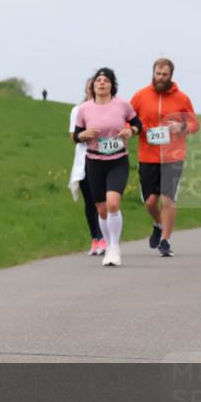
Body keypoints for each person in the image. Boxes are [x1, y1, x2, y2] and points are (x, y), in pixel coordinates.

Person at [72, 68, 142, 267]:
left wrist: (131, 131)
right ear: (93, 86)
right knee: (102, 210)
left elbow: (138, 124)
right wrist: (83, 135)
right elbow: (76, 136)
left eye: (106, 80)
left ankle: (115, 247)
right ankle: (109, 245)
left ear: (112, 85)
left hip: (117, 161)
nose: (102, 83)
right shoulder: (84, 109)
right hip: (94, 162)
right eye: (98, 80)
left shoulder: (122, 105)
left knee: (113, 204)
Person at [130, 58, 198, 257]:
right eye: (158, 74)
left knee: (168, 199)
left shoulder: (182, 98)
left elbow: (195, 124)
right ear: (153, 73)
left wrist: (181, 127)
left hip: (173, 157)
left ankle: (166, 241)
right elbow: (128, 119)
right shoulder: (140, 96)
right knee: (150, 201)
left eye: (164, 75)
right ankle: (158, 224)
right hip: (148, 155)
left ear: (171, 76)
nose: (160, 78)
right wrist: (132, 129)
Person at [68, 78, 105, 256]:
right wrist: (84, 135)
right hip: (84, 161)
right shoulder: (78, 110)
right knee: (90, 202)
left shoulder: (108, 109)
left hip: (104, 159)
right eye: (90, 88)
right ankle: (95, 238)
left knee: (102, 201)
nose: (92, 91)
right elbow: (73, 136)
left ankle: (104, 237)